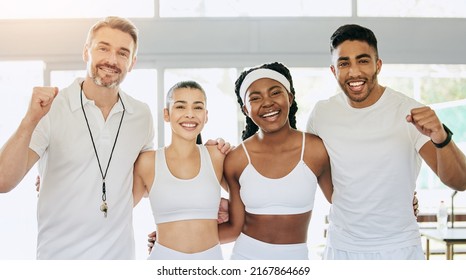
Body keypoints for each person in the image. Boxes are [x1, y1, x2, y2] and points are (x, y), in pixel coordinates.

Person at [306, 24, 466, 260]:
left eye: (362, 61)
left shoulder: (410, 112)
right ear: (333, 70)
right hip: (341, 248)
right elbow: (329, 188)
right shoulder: (322, 114)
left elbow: (460, 182)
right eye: (344, 63)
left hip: (398, 248)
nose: (353, 72)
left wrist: (441, 137)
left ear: (377, 65)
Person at [217, 62, 334, 260]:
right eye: (255, 98)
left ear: (290, 97)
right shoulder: (236, 159)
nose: (267, 102)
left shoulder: (315, 149)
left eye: (275, 93)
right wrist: (171, 240)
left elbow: (342, 202)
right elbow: (234, 228)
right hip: (245, 259)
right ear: (246, 109)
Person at [132, 81, 227, 260]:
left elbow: (253, 206)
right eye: (180, 106)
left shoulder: (217, 155)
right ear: (166, 114)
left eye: (197, 108)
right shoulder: (147, 162)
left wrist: (229, 208)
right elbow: (118, 210)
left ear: (206, 116)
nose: (190, 114)